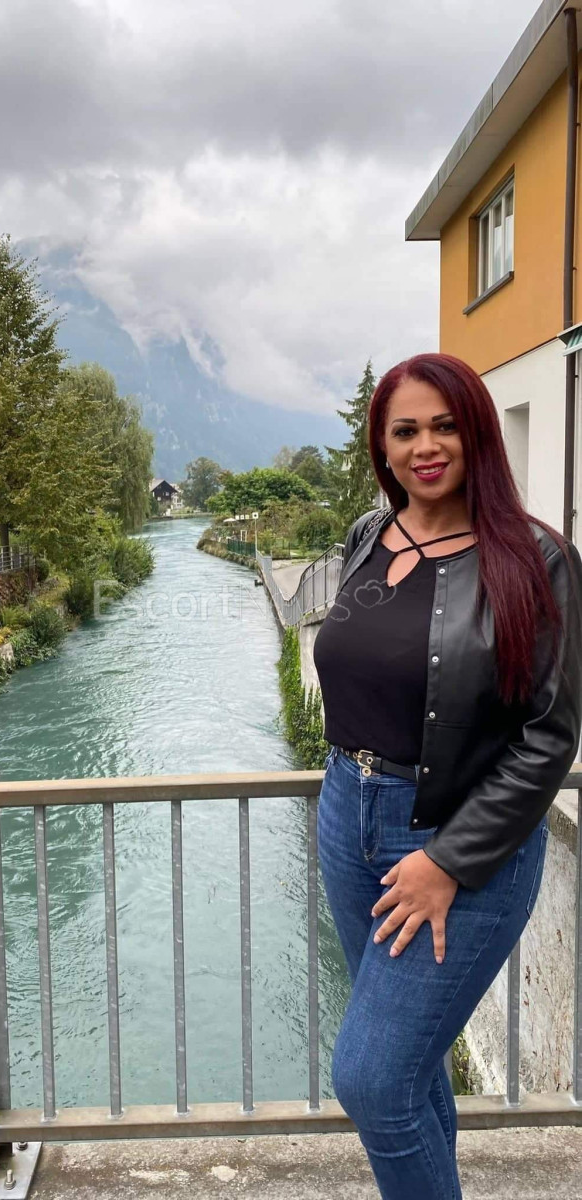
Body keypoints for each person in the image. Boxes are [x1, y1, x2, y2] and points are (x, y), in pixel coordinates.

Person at [312, 352, 582, 1200]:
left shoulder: (538, 558)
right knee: (414, 1069)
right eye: (405, 431)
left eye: (444, 425)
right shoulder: (370, 535)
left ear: (477, 434)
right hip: (347, 817)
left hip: (457, 844)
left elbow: (549, 738)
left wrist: (449, 861)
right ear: (382, 447)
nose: (425, 446)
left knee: (372, 1078)